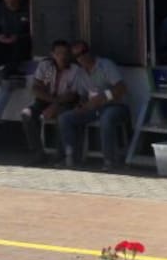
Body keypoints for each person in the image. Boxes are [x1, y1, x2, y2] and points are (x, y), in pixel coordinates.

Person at [60, 40, 129, 170]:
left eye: (83, 53)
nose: (81, 57)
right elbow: (83, 96)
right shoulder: (80, 73)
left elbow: (121, 88)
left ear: (89, 52)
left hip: (115, 106)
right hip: (93, 108)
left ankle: (109, 161)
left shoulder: (105, 65)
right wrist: (81, 105)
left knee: (106, 118)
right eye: (76, 56)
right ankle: (71, 157)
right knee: (66, 117)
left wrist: (102, 97)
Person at [21, 40, 81, 164]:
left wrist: (55, 105)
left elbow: (72, 95)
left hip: (65, 102)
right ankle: (38, 153)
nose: (62, 57)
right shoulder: (45, 65)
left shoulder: (75, 69)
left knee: (62, 117)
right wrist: (53, 102)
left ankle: (59, 154)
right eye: (58, 53)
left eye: (65, 53)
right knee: (26, 114)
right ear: (52, 54)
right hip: (46, 100)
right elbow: (36, 88)